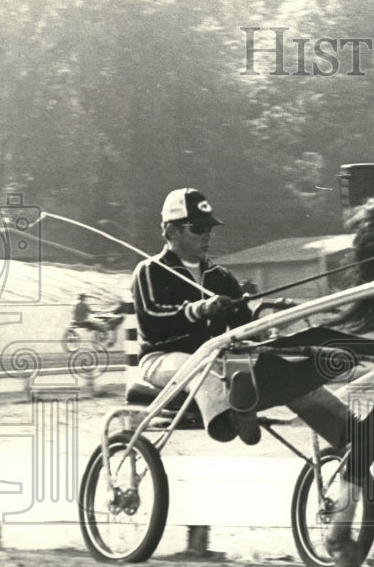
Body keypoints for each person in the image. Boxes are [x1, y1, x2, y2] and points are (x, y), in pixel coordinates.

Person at [131, 187, 352, 447]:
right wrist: (200, 309)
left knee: (285, 378)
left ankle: (348, 428)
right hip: (163, 360)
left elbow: (244, 328)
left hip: (219, 360)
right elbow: (152, 318)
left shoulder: (221, 277)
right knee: (202, 367)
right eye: (198, 229)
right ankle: (227, 420)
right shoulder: (149, 270)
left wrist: (271, 322)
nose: (207, 236)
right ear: (171, 231)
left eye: (209, 229)